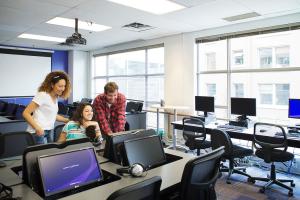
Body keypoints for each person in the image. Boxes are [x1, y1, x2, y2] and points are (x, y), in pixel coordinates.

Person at [23, 71, 71, 144]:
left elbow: (53, 115)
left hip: (49, 130)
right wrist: (37, 128)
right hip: (38, 131)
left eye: (64, 86)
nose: (63, 89)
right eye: (60, 86)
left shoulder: (55, 97)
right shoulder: (43, 95)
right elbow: (26, 113)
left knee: (49, 154)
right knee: (42, 154)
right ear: (52, 85)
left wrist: (67, 120)